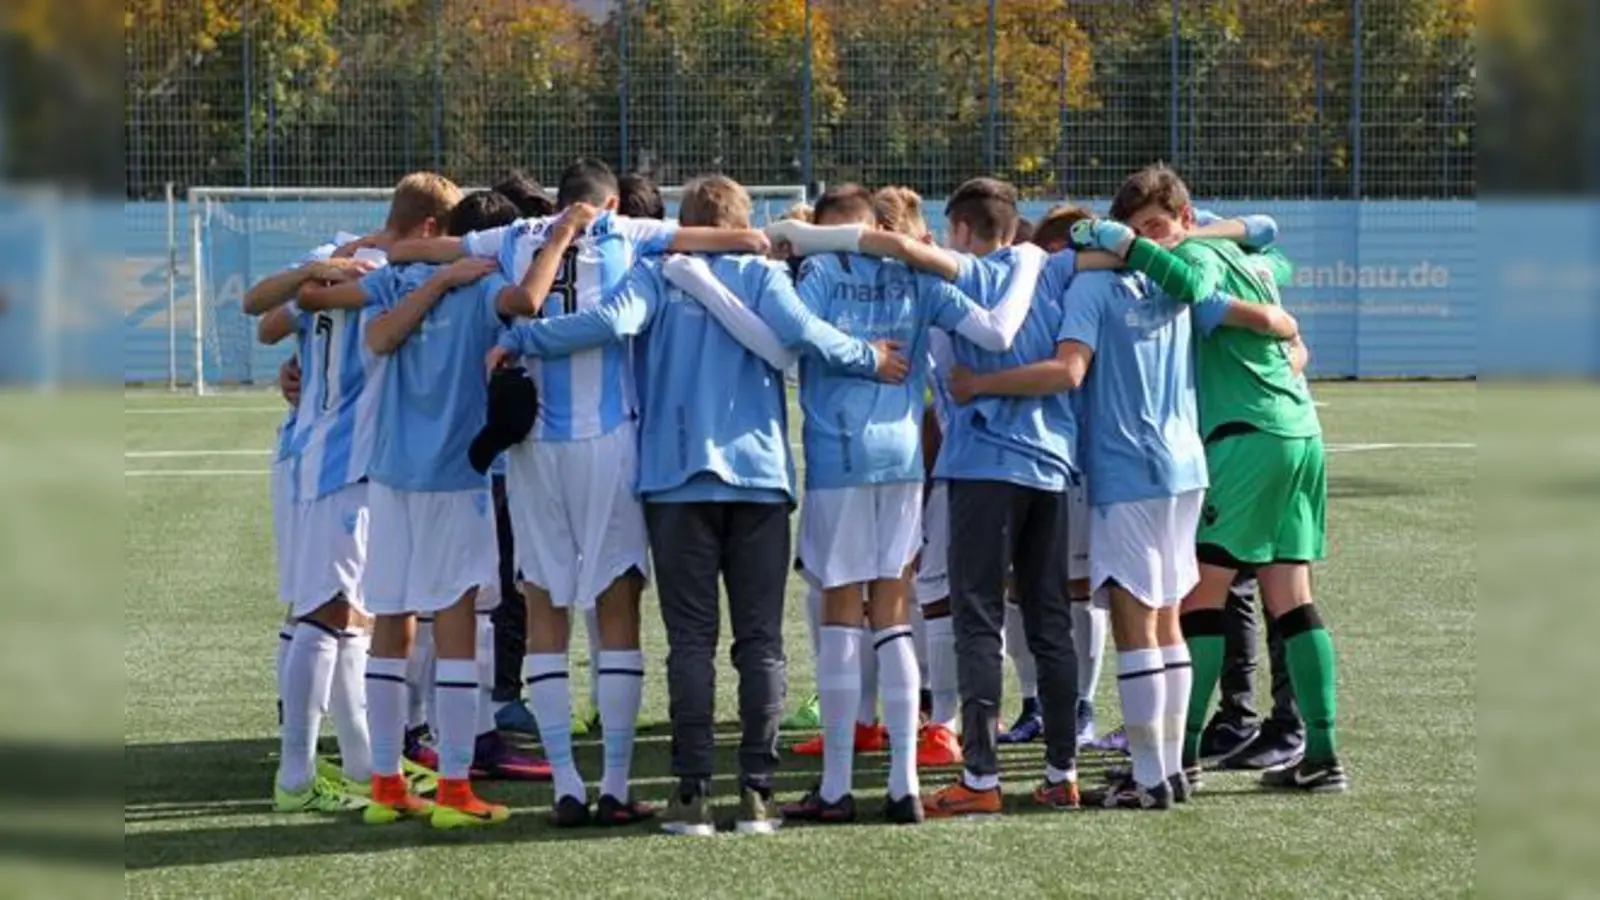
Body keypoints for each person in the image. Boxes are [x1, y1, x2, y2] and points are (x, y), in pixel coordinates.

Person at [490, 174, 908, 836]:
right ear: (741, 219)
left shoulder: (661, 274)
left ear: (688, 219)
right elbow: (803, 334)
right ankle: (757, 792)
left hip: (676, 480)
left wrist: (524, 340)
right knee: (760, 644)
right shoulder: (765, 277)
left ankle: (691, 794)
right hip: (760, 481)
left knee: (691, 642)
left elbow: (608, 323)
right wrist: (868, 356)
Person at [392, 158, 770, 827]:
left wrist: (370, 250)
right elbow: (729, 240)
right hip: (607, 442)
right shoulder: (628, 233)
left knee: (544, 607)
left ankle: (566, 783)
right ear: (614, 200)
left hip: (533, 444)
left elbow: (429, 249)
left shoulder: (512, 238)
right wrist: (759, 238)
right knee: (615, 604)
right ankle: (617, 783)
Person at [1072, 163, 1346, 793]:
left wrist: (1125, 245)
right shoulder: (1242, 252)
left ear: (1186, 219)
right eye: (1140, 228)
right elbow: (1274, 252)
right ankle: (1323, 754)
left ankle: (1182, 756)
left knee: (1202, 599)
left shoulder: (1195, 256)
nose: (1152, 239)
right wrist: (1274, 320)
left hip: (1245, 437)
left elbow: (1194, 283)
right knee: (1290, 596)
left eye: (1159, 225)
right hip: (1298, 431)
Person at [249, 229, 382, 813]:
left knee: (344, 610)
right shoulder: (353, 257)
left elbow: (273, 325)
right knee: (326, 610)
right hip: (328, 458)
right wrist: (321, 278)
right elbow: (265, 319)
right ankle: (298, 774)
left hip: (320, 456)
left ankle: (357, 761)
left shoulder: (379, 259)